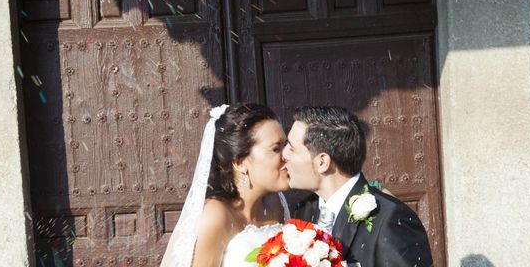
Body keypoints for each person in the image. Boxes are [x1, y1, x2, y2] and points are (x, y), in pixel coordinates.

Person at [282, 105, 433, 267]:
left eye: (291, 148)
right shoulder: (305, 209)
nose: (284, 155)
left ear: (322, 162)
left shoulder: (391, 219)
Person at [160, 103, 291, 267]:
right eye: (276, 148)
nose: (287, 155)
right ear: (240, 162)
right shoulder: (215, 215)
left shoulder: (276, 202)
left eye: (286, 145)